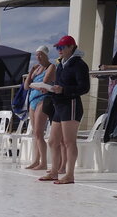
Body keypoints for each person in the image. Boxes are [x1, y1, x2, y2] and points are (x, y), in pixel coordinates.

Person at [40, 36, 89, 185]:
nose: (59, 50)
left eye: (62, 47)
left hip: (71, 104)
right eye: (57, 48)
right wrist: (49, 89)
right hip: (59, 105)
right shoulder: (61, 64)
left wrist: (63, 90)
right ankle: (54, 172)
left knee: (69, 141)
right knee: (53, 141)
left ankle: (70, 175)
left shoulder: (79, 65)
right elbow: (59, 85)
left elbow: (84, 87)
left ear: (71, 47)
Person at [23, 46, 56, 171]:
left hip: (43, 99)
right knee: (35, 133)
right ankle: (36, 160)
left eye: (41, 54)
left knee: (38, 132)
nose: (38, 57)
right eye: (37, 55)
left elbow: (44, 83)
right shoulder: (36, 69)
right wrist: (31, 72)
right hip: (32, 100)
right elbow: (26, 86)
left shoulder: (51, 67)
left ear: (46, 55)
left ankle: (43, 162)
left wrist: (32, 84)